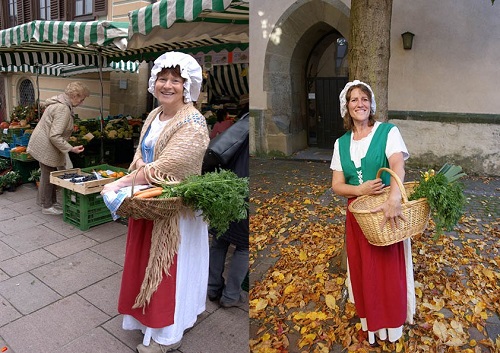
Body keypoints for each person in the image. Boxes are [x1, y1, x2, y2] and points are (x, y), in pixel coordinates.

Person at [100, 51, 210, 353]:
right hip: (148, 202)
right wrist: (135, 166)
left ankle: (166, 336)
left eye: (176, 80)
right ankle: (142, 320)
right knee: (143, 263)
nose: (168, 85)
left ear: (187, 86)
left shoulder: (193, 122)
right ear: (154, 82)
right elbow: (141, 151)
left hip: (174, 210)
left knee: (167, 270)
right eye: (163, 78)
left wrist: (122, 182)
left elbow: (170, 166)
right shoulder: (154, 114)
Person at [330, 80, 415, 346]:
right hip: (357, 216)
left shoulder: (388, 132)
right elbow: (336, 185)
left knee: (387, 269)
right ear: (347, 107)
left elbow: (397, 166)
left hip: (385, 212)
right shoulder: (341, 143)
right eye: (354, 100)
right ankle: (371, 325)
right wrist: (360, 189)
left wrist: (393, 199)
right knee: (364, 269)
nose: (360, 104)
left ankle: (391, 326)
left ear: (371, 104)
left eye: (364, 99)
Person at [205, 114, 249, 307]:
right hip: (244, 191)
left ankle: (212, 288)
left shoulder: (244, 121)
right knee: (244, 246)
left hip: (226, 185)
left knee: (220, 240)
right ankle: (230, 296)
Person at [27, 81, 88, 215]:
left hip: (42, 143)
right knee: (48, 175)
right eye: (82, 99)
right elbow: (54, 135)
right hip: (46, 146)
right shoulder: (63, 109)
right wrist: (71, 148)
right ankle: (47, 206)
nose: (82, 102)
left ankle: (49, 203)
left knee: (47, 174)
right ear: (75, 96)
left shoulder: (59, 102)